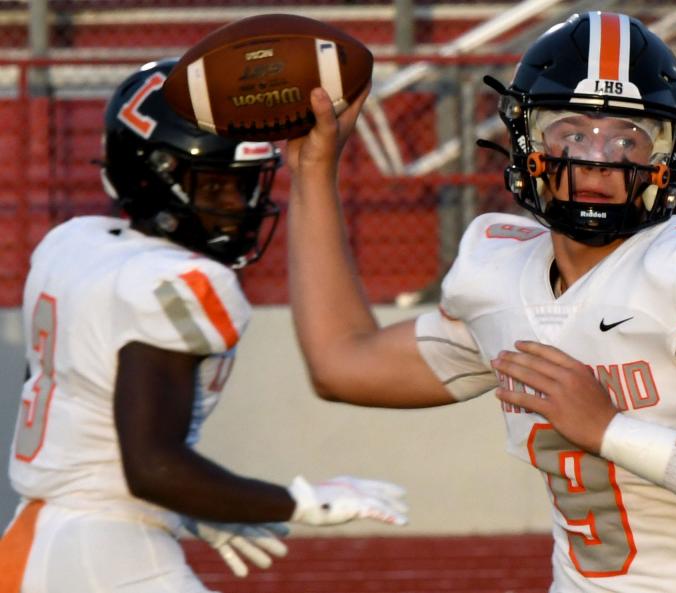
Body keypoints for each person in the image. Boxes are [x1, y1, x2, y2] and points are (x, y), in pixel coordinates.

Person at [286, 12, 676, 592]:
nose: (596, 158)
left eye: (627, 137)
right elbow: (342, 363)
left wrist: (608, 430)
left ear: (665, 155)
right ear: (524, 141)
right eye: (571, 132)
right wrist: (313, 172)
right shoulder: (501, 279)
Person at [0, 59, 407, 593]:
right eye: (216, 187)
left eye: (244, 185)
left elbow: (81, 416)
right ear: (153, 177)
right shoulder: (179, 282)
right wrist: (303, 502)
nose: (240, 205)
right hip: (108, 557)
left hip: (36, 539)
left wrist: (193, 504)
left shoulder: (74, 244)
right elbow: (150, 465)